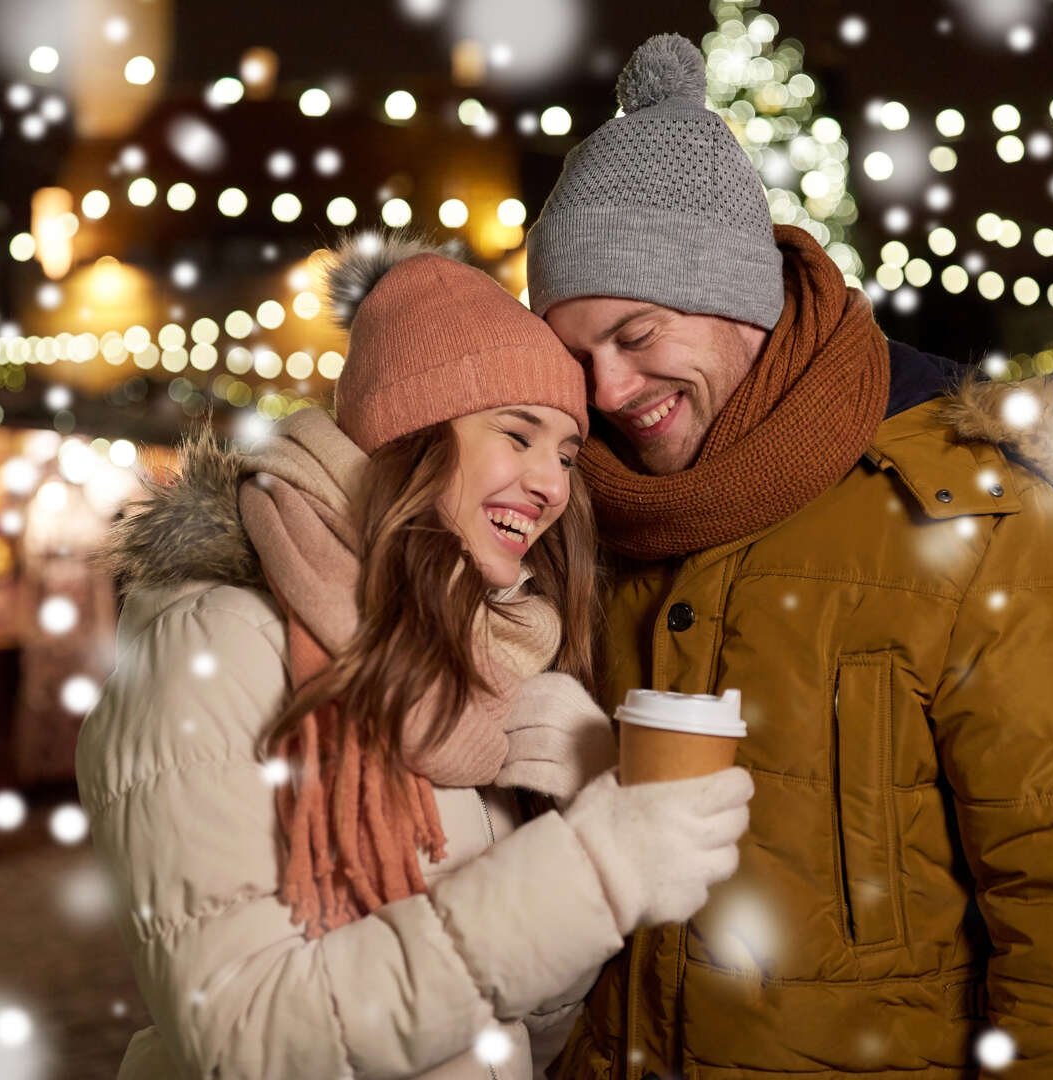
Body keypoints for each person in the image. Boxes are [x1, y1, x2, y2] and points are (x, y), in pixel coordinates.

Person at [524, 33, 1053, 1080]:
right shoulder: (580, 518)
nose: (608, 390)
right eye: (574, 356)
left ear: (736, 295)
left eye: (637, 332)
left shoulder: (972, 518)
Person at [75, 234, 756, 1079]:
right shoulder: (216, 642)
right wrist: (592, 871)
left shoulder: (477, 664)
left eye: (567, 453)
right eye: (518, 434)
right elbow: (245, 1037)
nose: (550, 484)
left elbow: (516, 1034)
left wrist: (579, 813)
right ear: (416, 433)